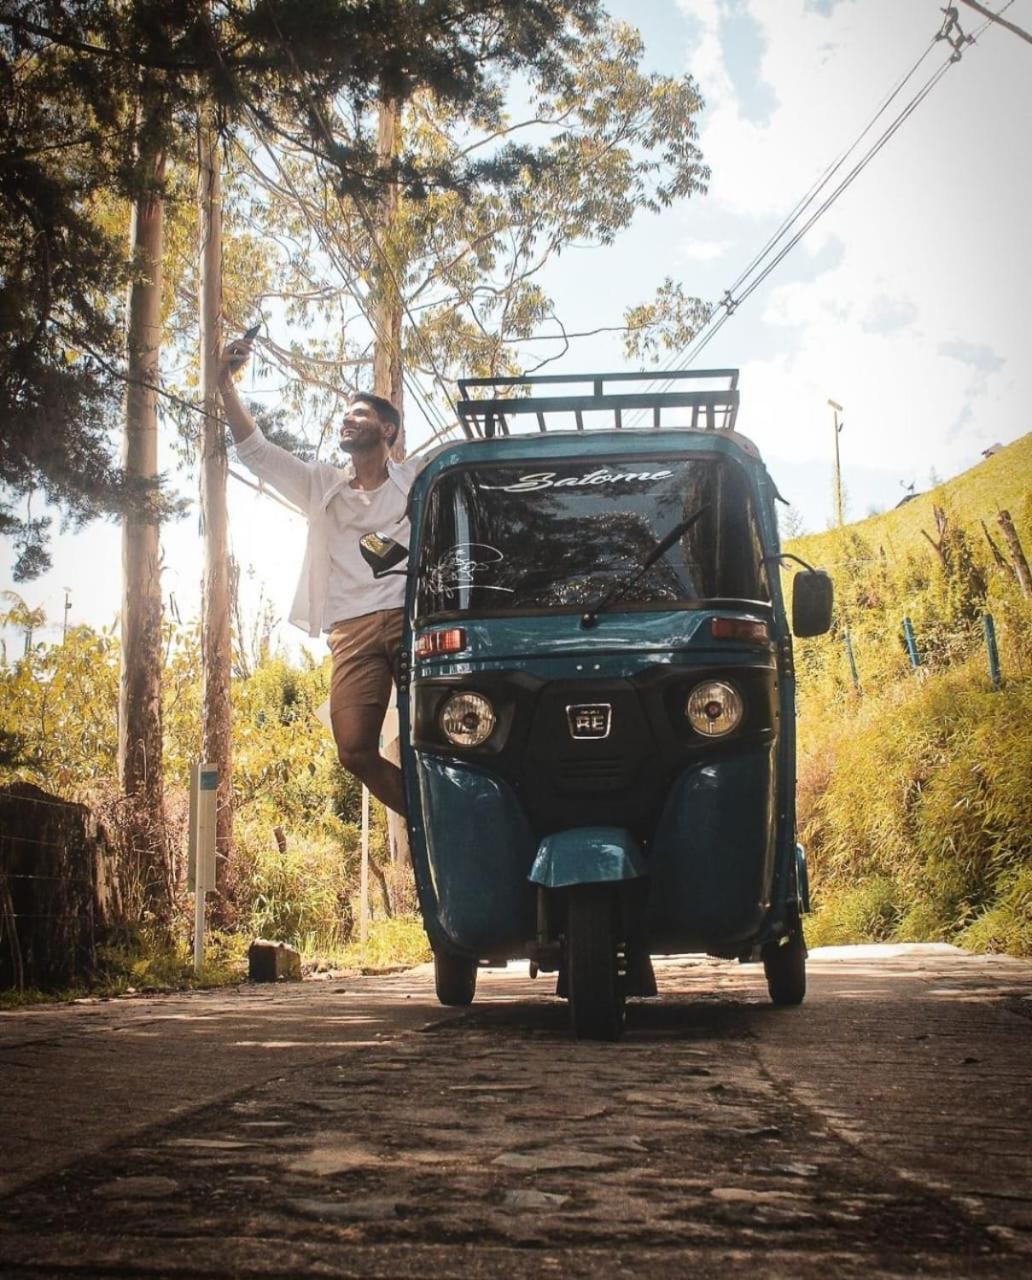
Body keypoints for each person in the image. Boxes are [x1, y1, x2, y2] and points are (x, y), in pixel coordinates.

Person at [218, 332, 422, 816]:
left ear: (387, 432)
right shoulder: (322, 486)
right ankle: (429, 821)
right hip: (352, 631)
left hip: (411, 620)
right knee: (353, 750)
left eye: (360, 415)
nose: (347, 420)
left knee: (433, 741)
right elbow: (257, 453)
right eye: (346, 415)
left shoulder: (416, 480)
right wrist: (224, 384)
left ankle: (445, 831)